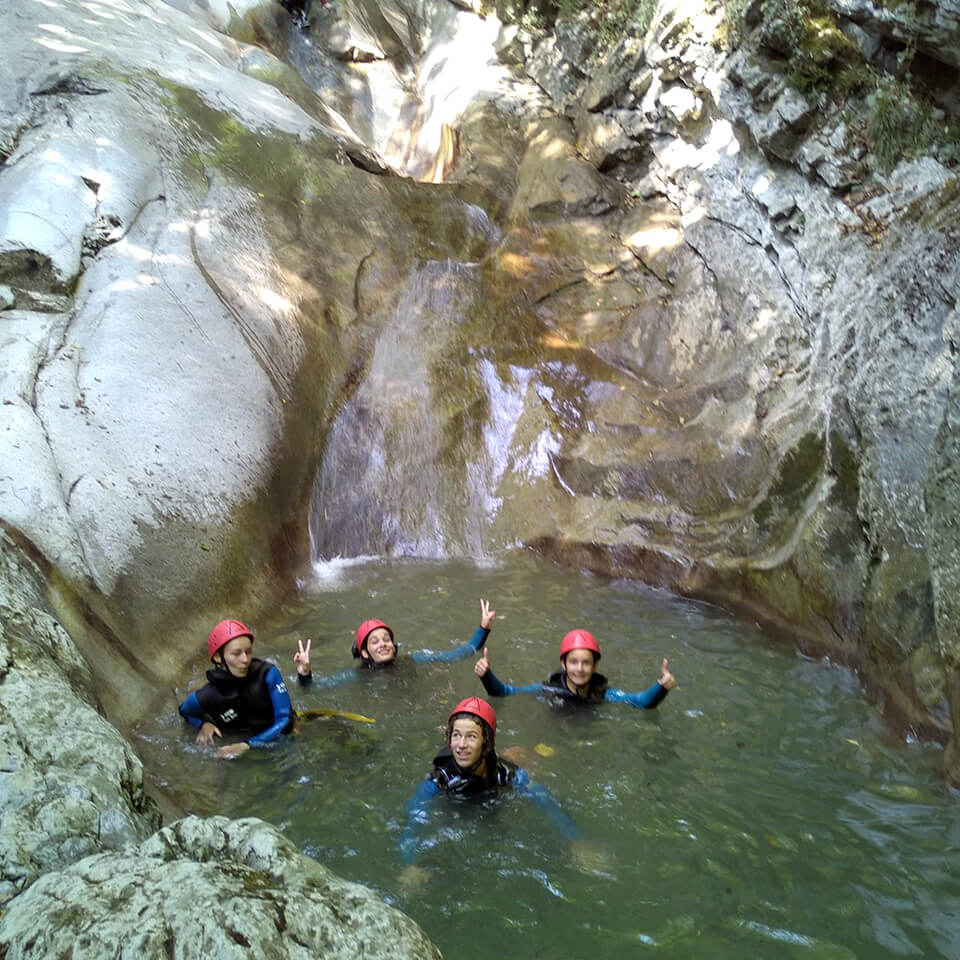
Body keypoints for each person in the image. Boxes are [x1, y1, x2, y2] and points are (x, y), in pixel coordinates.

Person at [399, 697, 579, 867]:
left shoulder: (505, 773)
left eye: (471, 736)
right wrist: (410, 863)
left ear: (487, 743)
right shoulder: (440, 780)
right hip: (456, 820)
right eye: (456, 735)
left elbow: (544, 799)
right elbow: (414, 819)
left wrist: (576, 840)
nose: (461, 745)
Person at [293, 599, 496, 687]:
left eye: (387, 639)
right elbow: (316, 689)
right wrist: (305, 674)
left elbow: (462, 653)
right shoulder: (357, 676)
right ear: (364, 653)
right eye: (375, 642)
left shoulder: (412, 661)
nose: (383, 644)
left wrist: (483, 628)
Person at [179, 619, 295, 759]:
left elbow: (285, 721)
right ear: (217, 657)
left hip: (274, 740)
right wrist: (202, 724)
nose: (245, 659)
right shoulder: (208, 695)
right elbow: (185, 711)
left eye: (248, 651)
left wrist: (248, 745)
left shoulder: (268, 674)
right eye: (236, 653)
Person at [475, 628, 676, 708]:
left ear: (595, 665)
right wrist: (486, 675)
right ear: (563, 664)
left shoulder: (604, 694)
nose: (579, 669)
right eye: (573, 662)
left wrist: (661, 687)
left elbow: (639, 701)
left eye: (586, 663)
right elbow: (505, 692)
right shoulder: (548, 690)